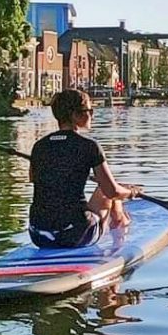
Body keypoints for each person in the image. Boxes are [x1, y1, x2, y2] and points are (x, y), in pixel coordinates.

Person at [28, 89, 143, 248]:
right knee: (109, 192)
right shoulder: (89, 146)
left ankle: (119, 224)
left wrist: (69, 171)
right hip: (75, 235)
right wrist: (131, 193)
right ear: (75, 115)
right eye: (89, 111)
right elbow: (112, 191)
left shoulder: (39, 146)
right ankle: (120, 237)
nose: (92, 115)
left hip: (38, 235)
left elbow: (35, 179)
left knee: (104, 190)